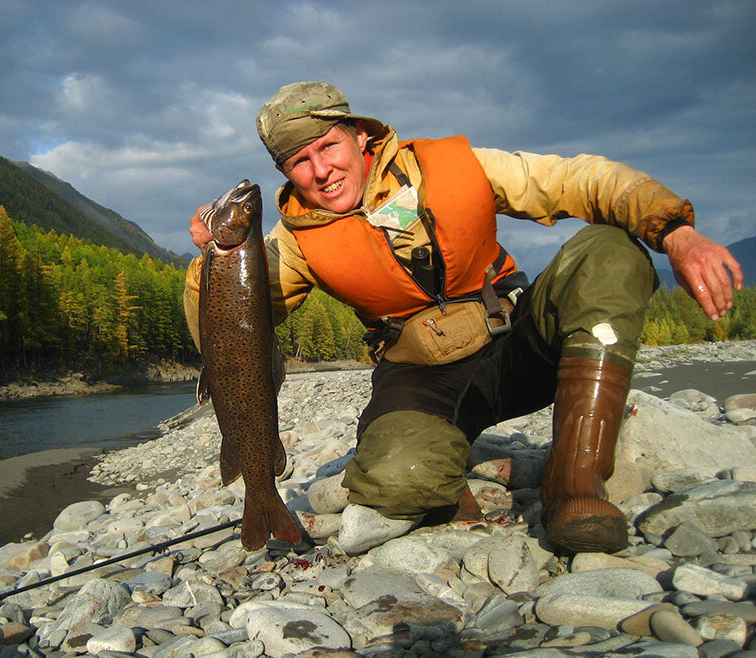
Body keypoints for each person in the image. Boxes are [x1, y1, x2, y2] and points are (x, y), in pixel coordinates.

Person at [183, 81, 743, 554]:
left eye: (327, 147)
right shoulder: (291, 243)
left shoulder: (457, 167)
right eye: (298, 163)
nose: (320, 171)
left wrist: (677, 232)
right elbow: (227, 340)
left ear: (359, 136)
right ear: (285, 171)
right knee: (395, 483)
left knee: (610, 250)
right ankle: (450, 463)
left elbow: (581, 179)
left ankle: (576, 483)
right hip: (422, 381)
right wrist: (207, 269)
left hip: (519, 346)